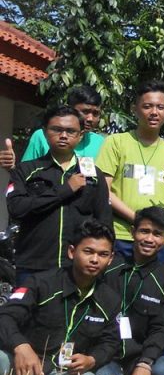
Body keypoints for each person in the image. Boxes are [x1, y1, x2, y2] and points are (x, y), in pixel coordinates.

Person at [0, 220, 118, 375]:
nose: (95, 259)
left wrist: (92, 359)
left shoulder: (110, 300)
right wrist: (20, 346)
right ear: (71, 251)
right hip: (23, 361)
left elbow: (111, 341)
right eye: (88, 251)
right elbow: (5, 317)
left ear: (111, 258)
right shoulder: (41, 283)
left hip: (62, 371)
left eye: (103, 254)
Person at [7, 105, 112, 282]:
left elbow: (104, 220)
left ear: (80, 136)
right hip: (33, 265)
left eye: (71, 131)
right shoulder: (26, 170)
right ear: (45, 132)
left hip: (78, 269)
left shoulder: (93, 174)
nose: (63, 136)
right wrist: (65, 190)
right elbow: (16, 209)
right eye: (57, 129)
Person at [96, 79, 164, 264]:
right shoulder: (116, 143)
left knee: (157, 292)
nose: (154, 112)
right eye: (147, 106)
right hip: (122, 236)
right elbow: (103, 190)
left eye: (160, 107)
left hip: (160, 240)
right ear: (135, 109)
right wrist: (138, 220)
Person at [98, 207, 164, 375]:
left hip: (143, 356)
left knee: (163, 372)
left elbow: (159, 329)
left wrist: (145, 362)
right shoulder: (109, 269)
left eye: (157, 234)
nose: (149, 239)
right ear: (132, 232)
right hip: (109, 356)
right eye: (144, 231)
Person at [0, 85, 105, 169]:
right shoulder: (41, 136)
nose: (90, 118)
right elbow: (25, 176)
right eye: (85, 111)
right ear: (69, 108)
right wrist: (11, 167)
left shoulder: (102, 143)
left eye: (95, 113)